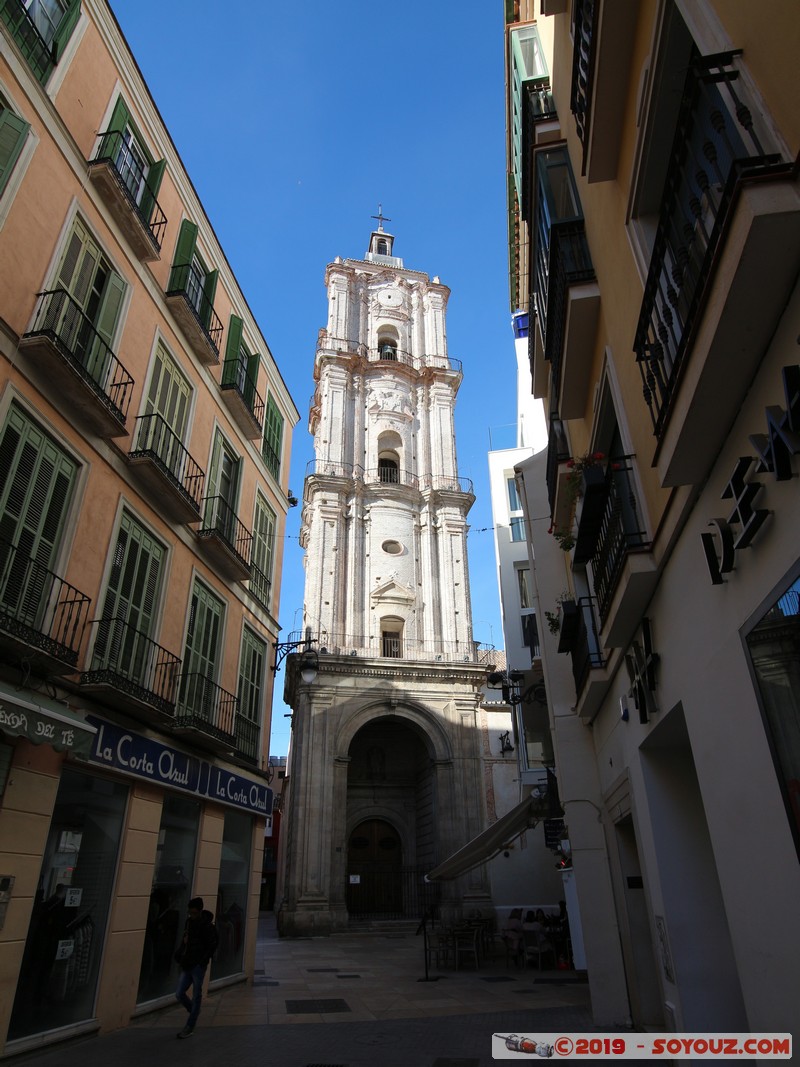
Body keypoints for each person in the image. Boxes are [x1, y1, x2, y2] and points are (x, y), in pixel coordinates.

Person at [174, 896, 218, 1039]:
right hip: (187, 963)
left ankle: (190, 1026)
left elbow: (212, 945)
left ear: (199, 912)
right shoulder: (189, 923)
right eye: (190, 913)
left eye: (193, 913)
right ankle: (194, 1010)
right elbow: (185, 941)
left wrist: (203, 962)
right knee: (179, 993)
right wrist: (180, 952)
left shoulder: (207, 926)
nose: (191, 915)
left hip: (198, 965)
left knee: (197, 994)